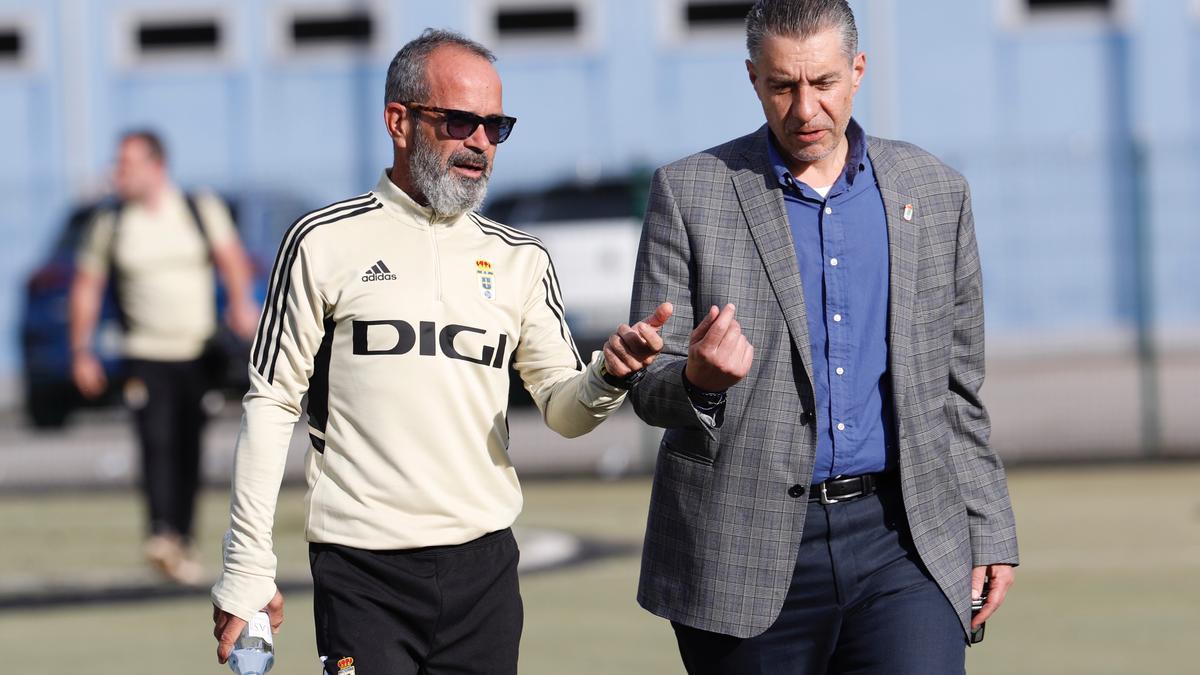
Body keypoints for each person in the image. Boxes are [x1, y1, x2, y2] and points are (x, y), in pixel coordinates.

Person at [209, 28, 671, 675]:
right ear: (399, 121)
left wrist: (607, 375)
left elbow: (563, 409)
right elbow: (269, 403)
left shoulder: (521, 260)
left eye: (495, 126)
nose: (480, 142)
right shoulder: (321, 242)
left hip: (482, 570)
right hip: (360, 568)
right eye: (460, 122)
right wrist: (246, 567)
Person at [627, 1, 1019, 673]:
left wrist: (990, 527)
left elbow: (957, 388)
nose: (805, 108)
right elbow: (647, 383)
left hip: (904, 544)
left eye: (824, 83)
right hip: (740, 550)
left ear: (858, 71)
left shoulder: (937, 192)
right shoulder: (689, 193)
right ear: (753, 79)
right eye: (783, 85)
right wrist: (697, 380)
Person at [69, 130, 259, 585]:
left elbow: (231, 258)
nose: (119, 173)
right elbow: (87, 288)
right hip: (143, 352)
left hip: (195, 350)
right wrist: (82, 350)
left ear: (156, 166)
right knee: (154, 441)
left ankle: (183, 541)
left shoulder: (197, 208)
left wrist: (240, 304)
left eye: (127, 163)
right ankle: (160, 533)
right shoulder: (110, 222)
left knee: (188, 444)